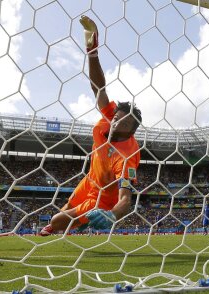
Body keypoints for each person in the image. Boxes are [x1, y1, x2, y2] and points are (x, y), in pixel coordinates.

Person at [40, 16, 142, 236]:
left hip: (102, 198)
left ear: (131, 130)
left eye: (122, 120)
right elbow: (99, 89)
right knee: (63, 209)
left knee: (59, 221)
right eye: (116, 117)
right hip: (90, 181)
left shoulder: (128, 157)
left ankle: (76, 222)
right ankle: (66, 225)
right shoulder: (108, 120)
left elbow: (125, 198)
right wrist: (92, 51)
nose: (115, 120)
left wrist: (112, 214)